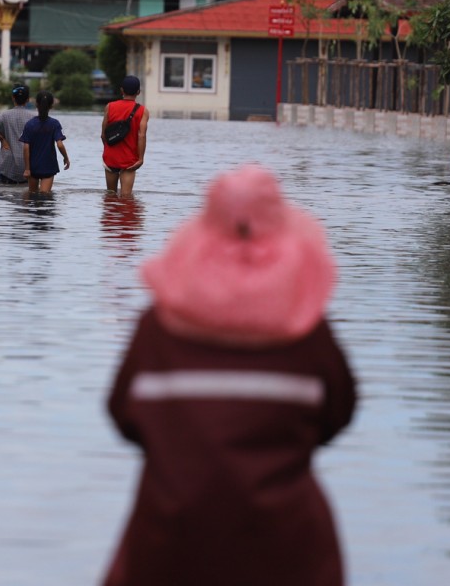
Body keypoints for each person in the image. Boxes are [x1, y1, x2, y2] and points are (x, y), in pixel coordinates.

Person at [102, 165, 357, 586]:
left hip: (168, 544)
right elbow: (337, 415)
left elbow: (124, 415)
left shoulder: (158, 327)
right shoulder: (306, 329)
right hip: (289, 549)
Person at [102, 75, 148, 198]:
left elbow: (103, 134)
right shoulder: (142, 111)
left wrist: (108, 149)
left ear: (122, 90)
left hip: (110, 158)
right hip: (129, 160)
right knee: (126, 198)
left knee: (110, 196)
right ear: (138, 92)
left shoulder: (109, 107)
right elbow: (141, 135)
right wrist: (141, 159)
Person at [20, 90, 70, 193]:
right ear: (51, 106)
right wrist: (66, 158)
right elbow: (60, 145)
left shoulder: (30, 124)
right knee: (44, 196)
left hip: (33, 166)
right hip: (48, 166)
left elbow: (26, 147)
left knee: (32, 196)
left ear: (36, 104)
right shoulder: (54, 124)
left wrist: (27, 169)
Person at [0, 84, 35, 185]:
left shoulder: (5, 115)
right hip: (27, 165)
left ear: (13, 98)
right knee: (25, 197)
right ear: (28, 99)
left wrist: (2, 139)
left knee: (4, 197)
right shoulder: (34, 118)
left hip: (7, 165)